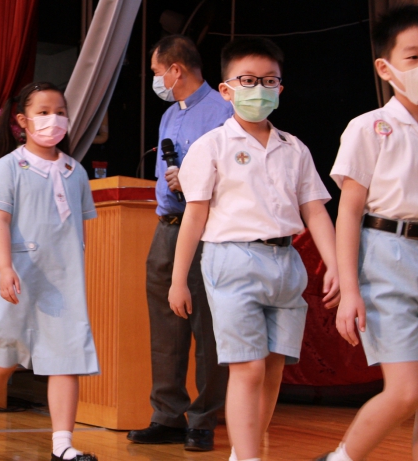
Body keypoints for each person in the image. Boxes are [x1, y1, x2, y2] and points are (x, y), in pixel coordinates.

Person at [170, 37, 339, 461]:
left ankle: (244, 453)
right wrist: (178, 280)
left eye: (269, 81)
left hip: (286, 261)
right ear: (226, 90)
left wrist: (336, 265)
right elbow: (194, 215)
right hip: (232, 259)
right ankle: (248, 458)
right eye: (247, 80)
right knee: (247, 366)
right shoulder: (211, 145)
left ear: (280, 88)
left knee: (273, 369)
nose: (259, 89)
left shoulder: (293, 147)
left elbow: (315, 211)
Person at [0, 82, 99, 461]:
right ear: (22, 120)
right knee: (4, 358)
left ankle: (62, 445)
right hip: (19, 275)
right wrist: (5, 267)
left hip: (63, 282)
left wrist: (78, 271)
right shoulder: (9, 167)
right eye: (43, 112)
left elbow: (80, 228)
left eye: (60, 112)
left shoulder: (75, 171)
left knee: (66, 359)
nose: (53, 119)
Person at [315, 5, 418, 461]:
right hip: (387, 256)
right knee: (406, 390)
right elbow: (349, 211)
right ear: (385, 67)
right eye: (414, 57)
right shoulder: (369, 127)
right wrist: (350, 289)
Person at [127, 34, 233, 452]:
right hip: (167, 226)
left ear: (176, 70)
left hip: (206, 229)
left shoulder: (224, 110)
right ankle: (167, 415)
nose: (157, 81)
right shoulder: (169, 114)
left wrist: (190, 179)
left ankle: (203, 420)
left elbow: (233, 175)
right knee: (165, 327)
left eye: (158, 73)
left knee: (206, 327)